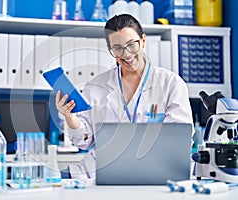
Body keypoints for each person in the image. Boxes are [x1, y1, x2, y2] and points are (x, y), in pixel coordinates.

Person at [56, 14, 193, 179]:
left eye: (131, 45)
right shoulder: (95, 86)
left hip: (153, 174)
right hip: (97, 174)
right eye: (117, 48)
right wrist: (70, 118)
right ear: (110, 49)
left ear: (143, 41)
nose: (126, 54)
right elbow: (83, 141)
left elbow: (179, 140)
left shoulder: (170, 83)